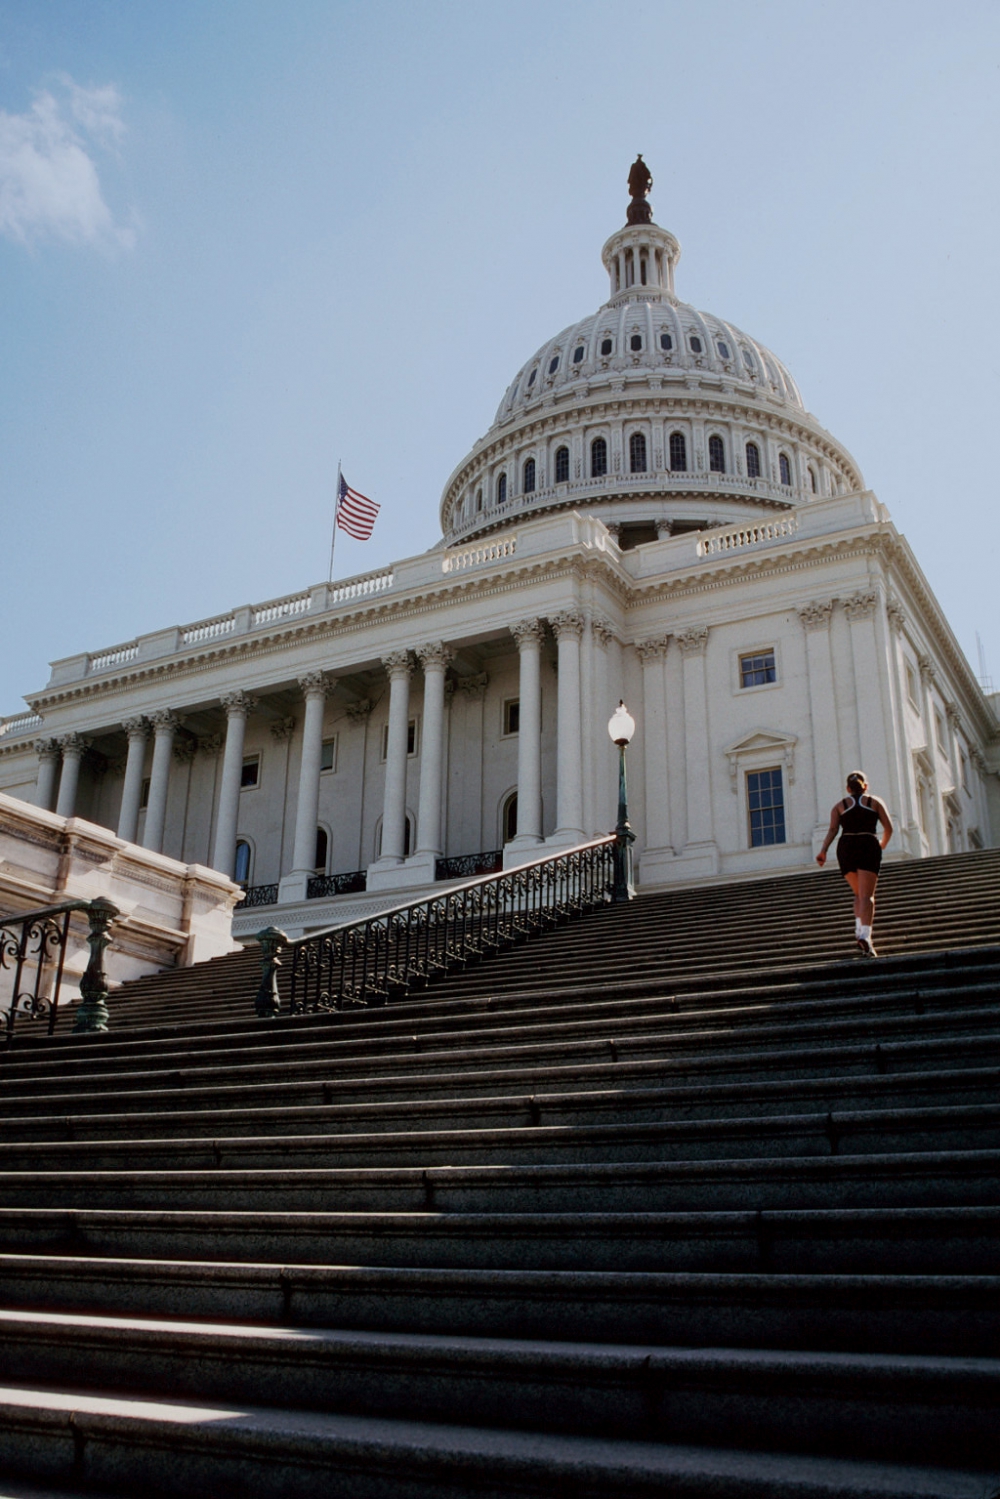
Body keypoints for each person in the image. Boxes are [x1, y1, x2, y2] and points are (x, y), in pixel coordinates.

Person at [816, 772, 893, 957]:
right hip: (867, 843)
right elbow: (888, 828)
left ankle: (859, 931)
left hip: (846, 847)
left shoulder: (839, 806)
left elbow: (833, 830)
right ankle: (866, 936)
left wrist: (823, 850)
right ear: (865, 786)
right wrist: (881, 845)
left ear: (848, 789)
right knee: (867, 895)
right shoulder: (874, 802)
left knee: (858, 893)